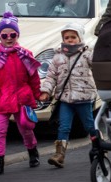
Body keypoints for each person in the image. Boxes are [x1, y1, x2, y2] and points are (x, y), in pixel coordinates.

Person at [0, 11, 49, 176]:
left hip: (22, 98)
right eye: (4, 35)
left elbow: (33, 77)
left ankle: (32, 150)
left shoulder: (25, 55)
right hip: (2, 100)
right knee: (0, 130)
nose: (9, 38)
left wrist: (37, 94)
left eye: (13, 34)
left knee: (26, 128)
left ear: (17, 34)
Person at [40, 22, 96, 168]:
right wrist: (46, 91)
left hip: (83, 98)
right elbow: (51, 76)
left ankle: (99, 147)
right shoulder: (58, 57)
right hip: (65, 98)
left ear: (80, 38)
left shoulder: (87, 54)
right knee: (64, 127)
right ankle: (59, 155)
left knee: (89, 125)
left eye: (73, 37)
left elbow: (98, 65)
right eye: (66, 37)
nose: (70, 40)